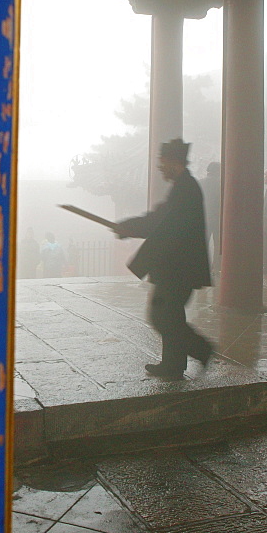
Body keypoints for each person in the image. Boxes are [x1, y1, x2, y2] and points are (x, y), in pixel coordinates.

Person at [114, 139, 213, 380]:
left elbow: (163, 224)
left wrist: (130, 228)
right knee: (172, 315)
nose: (159, 166)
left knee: (162, 316)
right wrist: (129, 227)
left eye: (162, 161)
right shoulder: (182, 186)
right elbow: (160, 218)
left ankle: (202, 349)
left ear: (173, 161)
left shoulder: (186, 188)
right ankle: (173, 365)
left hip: (179, 268)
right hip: (177, 267)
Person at [200, 161, 221, 274]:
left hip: (204, 218)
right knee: (218, 244)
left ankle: (202, 266)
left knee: (203, 244)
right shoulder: (222, 184)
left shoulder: (201, 182)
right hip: (218, 219)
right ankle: (216, 267)